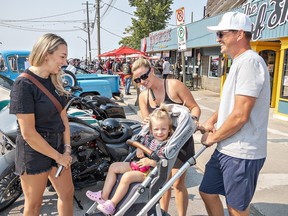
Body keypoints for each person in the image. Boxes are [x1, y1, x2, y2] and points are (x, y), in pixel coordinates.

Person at [199, 12, 270, 216]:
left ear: (239, 34)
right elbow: (229, 105)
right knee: (207, 190)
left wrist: (211, 138)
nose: (218, 39)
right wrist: (211, 122)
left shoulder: (250, 62)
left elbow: (240, 115)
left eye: (221, 34)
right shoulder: (238, 62)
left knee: (236, 209)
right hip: (227, 147)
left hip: (242, 152)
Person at [9, 33, 74, 216]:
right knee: (34, 206)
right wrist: (59, 157)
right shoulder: (23, 84)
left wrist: (66, 149)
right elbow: (28, 133)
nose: (65, 62)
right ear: (47, 53)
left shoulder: (55, 80)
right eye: (62, 56)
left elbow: (63, 118)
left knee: (67, 195)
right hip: (33, 150)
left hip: (58, 145)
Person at [132, 58, 201, 216]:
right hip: (160, 146)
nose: (142, 81)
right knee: (162, 183)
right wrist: (146, 124)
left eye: (144, 76)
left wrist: (194, 121)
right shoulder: (143, 97)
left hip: (180, 142)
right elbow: (148, 127)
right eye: (137, 80)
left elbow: (194, 107)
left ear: (153, 71)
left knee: (177, 183)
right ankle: (162, 213)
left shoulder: (173, 85)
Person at [85, 105, 173, 215]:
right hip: (140, 165)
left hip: (151, 172)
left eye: (163, 129)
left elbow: (164, 163)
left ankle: (112, 204)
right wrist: (138, 148)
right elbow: (139, 143)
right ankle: (104, 196)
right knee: (114, 166)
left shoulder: (167, 145)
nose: (159, 132)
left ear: (169, 129)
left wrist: (151, 162)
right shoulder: (149, 137)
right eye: (156, 129)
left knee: (127, 176)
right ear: (151, 129)